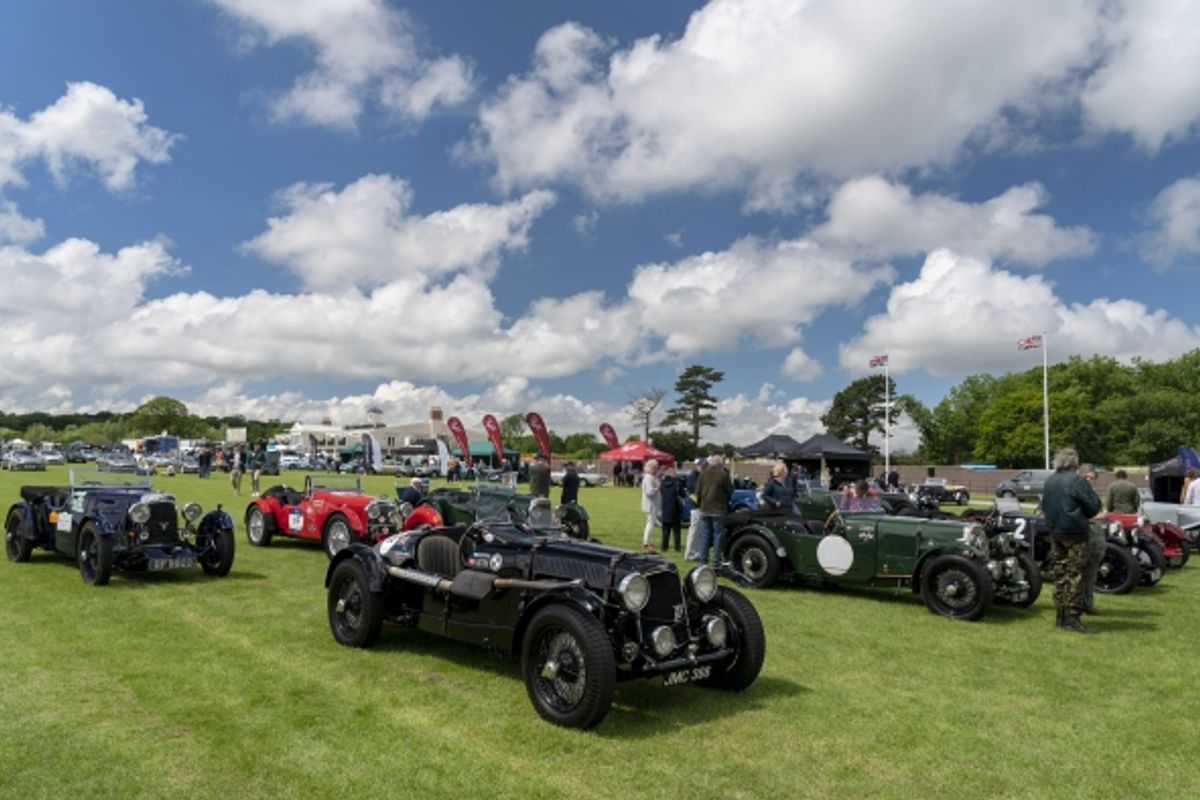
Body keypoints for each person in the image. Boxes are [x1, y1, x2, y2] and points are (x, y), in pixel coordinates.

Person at [1043, 448, 1104, 634]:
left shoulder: (1050, 480)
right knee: (1076, 575)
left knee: (1060, 574)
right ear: (1075, 463)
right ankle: (1072, 618)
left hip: (1056, 532)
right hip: (1075, 532)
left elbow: (1045, 505)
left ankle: (1061, 616)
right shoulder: (1077, 480)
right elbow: (1094, 507)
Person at [696, 454, 733, 567]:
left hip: (705, 508)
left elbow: (698, 491)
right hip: (718, 509)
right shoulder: (723, 476)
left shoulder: (703, 475)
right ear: (720, 464)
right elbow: (730, 490)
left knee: (705, 535)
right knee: (717, 536)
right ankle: (716, 561)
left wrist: (700, 504)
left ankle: (703, 561)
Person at [684, 459, 706, 560]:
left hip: (699, 505)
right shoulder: (693, 476)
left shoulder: (699, 475)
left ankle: (696, 553)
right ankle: (689, 553)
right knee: (694, 530)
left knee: (699, 531)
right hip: (695, 506)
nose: (704, 469)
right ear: (698, 466)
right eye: (703, 467)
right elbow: (694, 492)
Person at [659, 464, 684, 552]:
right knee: (676, 531)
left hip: (665, 507)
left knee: (665, 530)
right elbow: (683, 494)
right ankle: (677, 547)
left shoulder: (662, 483)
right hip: (675, 508)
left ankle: (664, 547)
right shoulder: (677, 483)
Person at [640, 459, 661, 550]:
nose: (657, 470)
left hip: (653, 504)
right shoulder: (649, 478)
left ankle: (648, 541)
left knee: (651, 523)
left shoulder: (650, 477)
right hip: (651, 505)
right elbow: (649, 492)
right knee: (650, 523)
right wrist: (657, 488)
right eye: (656, 468)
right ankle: (646, 543)